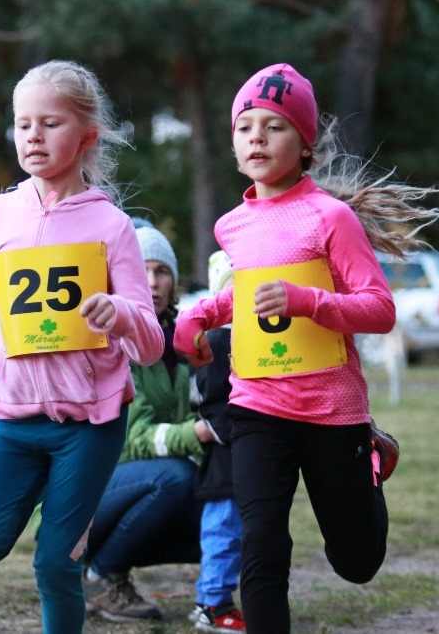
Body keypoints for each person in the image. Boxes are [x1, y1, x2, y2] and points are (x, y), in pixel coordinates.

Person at [174, 63, 439, 632]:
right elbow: (245, 298)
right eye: (245, 126)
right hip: (255, 405)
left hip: (331, 409)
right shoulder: (232, 226)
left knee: (356, 561)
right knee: (263, 546)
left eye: (273, 126)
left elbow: (379, 309)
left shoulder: (332, 218)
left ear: (304, 144)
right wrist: (198, 315)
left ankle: (370, 461)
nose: (256, 137)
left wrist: (308, 301)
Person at [0, 59, 164, 634]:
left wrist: (119, 314)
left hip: (90, 423)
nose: (33, 137)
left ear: (86, 136)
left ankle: (69, 517)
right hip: (14, 418)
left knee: (54, 563)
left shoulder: (112, 226)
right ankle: (59, 499)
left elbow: (151, 343)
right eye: (22, 125)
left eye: (50, 124)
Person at [81, 222, 220, 627]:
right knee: (174, 478)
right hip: (91, 491)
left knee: (231, 509)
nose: (154, 282)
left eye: (163, 272)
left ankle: (214, 593)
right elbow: (134, 441)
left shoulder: (182, 340)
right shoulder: (109, 341)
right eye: (142, 270)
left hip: (148, 482)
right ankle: (97, 575)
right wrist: (199, 434)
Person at [188, 249, 245, 632]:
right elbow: (212, 398)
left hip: (245, 455)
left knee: (240, 532)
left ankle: (221, 597)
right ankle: (212, 602)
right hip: (226, 458)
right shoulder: (218, 342)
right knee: (223, 531)